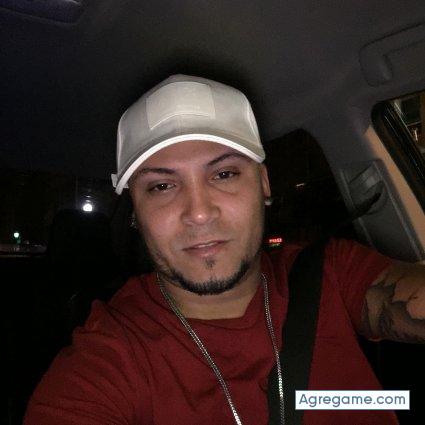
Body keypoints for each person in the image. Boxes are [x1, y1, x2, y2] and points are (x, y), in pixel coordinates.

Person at [25, 75, 425, 425]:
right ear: (136, 211)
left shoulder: (330, 274)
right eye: (162, 186)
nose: (199, 213)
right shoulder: (109, 357)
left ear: (264, 184)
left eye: (224, 173)